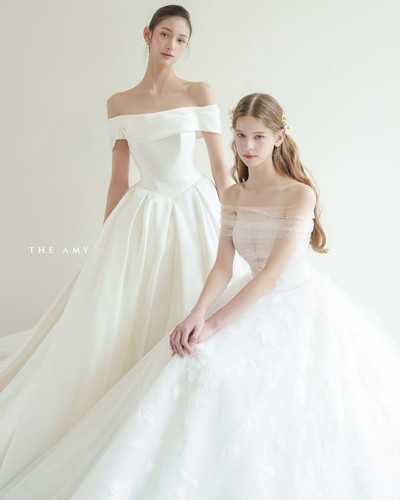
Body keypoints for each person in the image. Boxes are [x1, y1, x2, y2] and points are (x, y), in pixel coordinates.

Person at [2, 92, 399, 499]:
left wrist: (213, 324)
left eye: (259, 137)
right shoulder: (233, 195)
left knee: (233, 376)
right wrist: (197, 313)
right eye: (240, 135)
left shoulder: (299, 194)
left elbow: (270, 276)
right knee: (189, 360)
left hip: (297, 305)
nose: (247, 147)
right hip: (247, 295)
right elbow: (223, 266)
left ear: (280, 137)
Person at [0, 4, 242, 488]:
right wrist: (107, 240)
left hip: (193, 208)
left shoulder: (199, 92)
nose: (172, 45)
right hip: (143, 214)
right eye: (165, 34)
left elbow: (220, 169)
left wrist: (235, 224)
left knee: (200, 306)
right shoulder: (120, 102)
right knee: (120, 319)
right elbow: (118, 179)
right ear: (147, 35)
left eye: (181, 39)